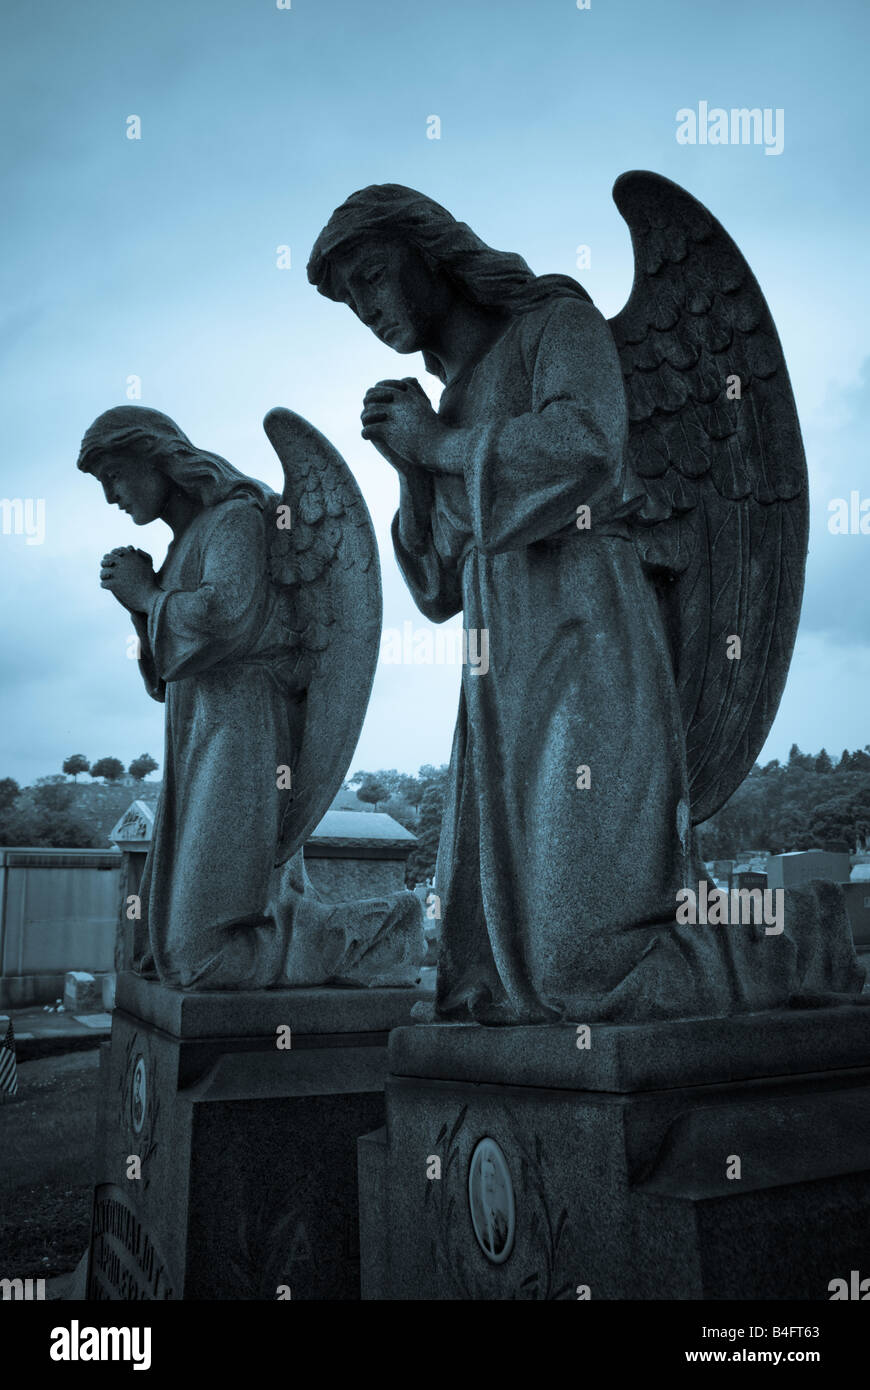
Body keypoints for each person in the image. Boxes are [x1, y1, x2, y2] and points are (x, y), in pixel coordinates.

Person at [78, 405, 421, 990]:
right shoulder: (187, 537)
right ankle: (300, 923)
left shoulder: (239, 517)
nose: (112, 496)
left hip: (244, 729)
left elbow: (223, 620)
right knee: (164, 950)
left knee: (200, 955)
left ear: (155, 456)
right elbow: (170, 671)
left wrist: (146, 596)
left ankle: (386, 927)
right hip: (199, 732)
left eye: (114, 475)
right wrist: (143, 608)